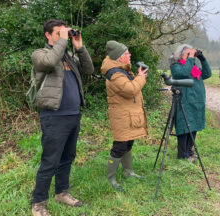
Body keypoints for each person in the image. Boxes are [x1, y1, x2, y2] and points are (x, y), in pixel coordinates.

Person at [31, 19, 94, 216]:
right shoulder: (40, 54)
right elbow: (50, 62)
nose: (63, 36)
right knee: (50, 161)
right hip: (54, 117)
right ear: (48, 35)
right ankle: (38, 203)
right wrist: (63, 41)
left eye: (64, 32)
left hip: (73, 115)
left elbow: (89, 70)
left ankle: (62, 192)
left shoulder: (68, 57)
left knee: (68, 157)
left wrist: (80, 48)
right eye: (59, 33)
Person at [101, 40, 148, 191]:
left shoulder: (122, 69)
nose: (129, 55)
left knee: (128, 143)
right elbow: (129, 90)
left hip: (128, 114)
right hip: (121, 116)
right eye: (126, 53)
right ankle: (111, 178)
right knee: (119, 147)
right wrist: (141, 77)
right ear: (119, 57)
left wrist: (137, 76)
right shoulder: (114, 73)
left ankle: (128, 172)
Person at [169, 44, 212, 162]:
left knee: (194, 126)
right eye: (188, 53)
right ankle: (183, 154)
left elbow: (207, 74)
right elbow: (183, 73)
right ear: (181, 54)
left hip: (197, 101)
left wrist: (202, 58)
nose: (190, 56)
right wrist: (191, 58)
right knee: (184, 126)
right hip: (184, 101)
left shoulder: (194, 67)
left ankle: (189, 151)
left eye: (191, 53)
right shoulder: (176, 66)